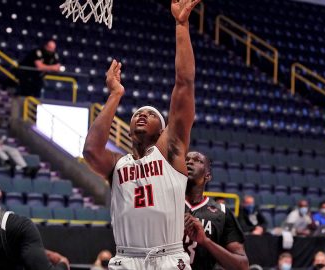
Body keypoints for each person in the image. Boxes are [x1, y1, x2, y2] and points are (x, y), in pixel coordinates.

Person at [83, 0, 200, 268]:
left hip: (167, 256)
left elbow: (184, 84)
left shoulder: (170, 150)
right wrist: (115, 95)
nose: (142, 114)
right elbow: (90, 151)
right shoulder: (117, 164)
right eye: (137, 113)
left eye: (151, 114)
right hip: (126, 257)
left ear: (163, 129)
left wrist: (181, 25)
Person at [183, 151, 248, 270]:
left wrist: (206, 241)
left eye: (197, 160)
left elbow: (242, 266)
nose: (190, 162)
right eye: (186, 159)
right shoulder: (166, 204)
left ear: (207, 176)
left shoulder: (222, 213)